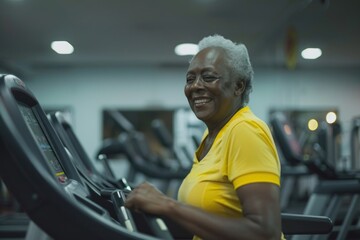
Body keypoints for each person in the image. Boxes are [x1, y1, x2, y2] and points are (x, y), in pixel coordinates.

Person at [125, 34, 283, 240]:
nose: (195, 86)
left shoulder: (245, 130)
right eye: (190, 79)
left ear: (238, 86)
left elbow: (265, 233)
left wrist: (168, 205)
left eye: (208, 77)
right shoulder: (211, 136)